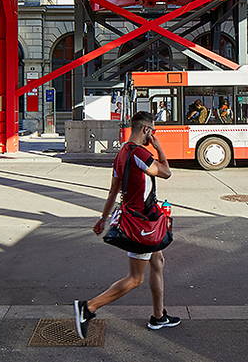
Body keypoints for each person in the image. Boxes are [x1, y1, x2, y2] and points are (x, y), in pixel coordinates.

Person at [73, 111, 180, 339]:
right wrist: (158, 145)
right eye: (153, 131)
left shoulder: (121, 153)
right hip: (140, 223)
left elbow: (113, 190)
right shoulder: (139, 153)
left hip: (141, 218)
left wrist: (103, 218)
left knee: (158, 261)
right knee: (135, 278)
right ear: (146, 130)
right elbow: (166, 172)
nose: (154, 134)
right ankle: (89, 307)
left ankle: (159, 316)